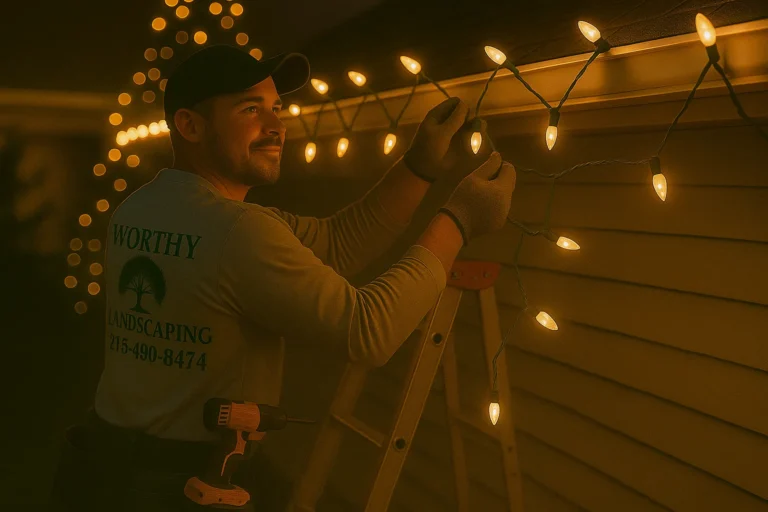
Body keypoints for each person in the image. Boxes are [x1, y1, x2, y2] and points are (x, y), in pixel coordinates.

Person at [49, 44, 516, 511]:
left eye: (277, 108)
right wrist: (460, 219)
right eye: (251, 110)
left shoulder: (143, 207)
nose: (276, 127)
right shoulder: (237, 232)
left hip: (100, 468)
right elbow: (370, 330)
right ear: (189, 125)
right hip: (178, 487)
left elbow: (338, 243)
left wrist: (420, 167)